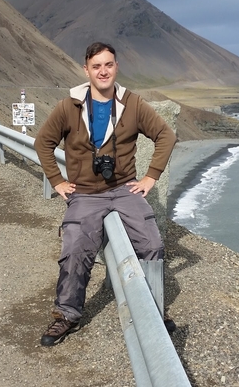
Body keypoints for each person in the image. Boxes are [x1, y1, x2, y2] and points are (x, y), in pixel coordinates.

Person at [35, 41, 178, 346]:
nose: (103, 71)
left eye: (109, 64)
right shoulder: (69, 106)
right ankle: (67, 315)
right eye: (96, 65)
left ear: (116, 67)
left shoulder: (133, 104)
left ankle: (153, 310)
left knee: (152, 244)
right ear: (86, 69)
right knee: (75, 247)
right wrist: (57, 180)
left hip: (124, 188)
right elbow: (43, 143)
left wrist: (151, 176)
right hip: (85, 193)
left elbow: (165, 135)